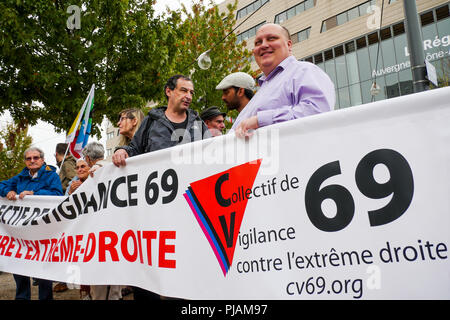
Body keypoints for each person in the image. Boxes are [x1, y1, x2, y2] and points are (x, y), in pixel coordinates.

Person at [233, 23, 335, 138]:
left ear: (289, 44)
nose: (263, 45)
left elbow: (318, 112)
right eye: (258, 42)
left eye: (271, 38)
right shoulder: (262, 89)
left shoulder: (304, 71)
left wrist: (260, 120)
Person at [0, 147, 63, 300]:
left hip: (43, 232)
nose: (32, 161)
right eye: (29, 158)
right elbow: (1, 184)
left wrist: (35, 194)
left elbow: (58, 195)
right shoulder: (20, 177)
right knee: (19, 264)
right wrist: (7, 192)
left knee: (43, 270)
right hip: (22, 232)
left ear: (42, 159)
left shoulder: (52, 176)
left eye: (36, 157)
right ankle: (22, 297)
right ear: (25, 161)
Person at [112, 74, 211, 168]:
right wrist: (122, 150)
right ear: (168, 91)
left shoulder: (198, 123)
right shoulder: (151, 121)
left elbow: (213, 151)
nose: (189, 96)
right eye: (184, 91)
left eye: (191, 92)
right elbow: (134, 150)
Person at [53, 143, 77, 293]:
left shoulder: (67, 164)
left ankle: (66, 280)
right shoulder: (66, 163)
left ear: (57, 153)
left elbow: (73, 180)